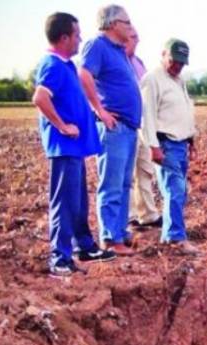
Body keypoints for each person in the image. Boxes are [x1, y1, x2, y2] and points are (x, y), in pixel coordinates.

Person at [32, 12, 116, 277]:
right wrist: (62, 125)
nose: (80, 40)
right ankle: (59, 257)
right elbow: (40, 98)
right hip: (64, 146)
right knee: (65, 203)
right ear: (64, 37)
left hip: (74, 148)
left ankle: (84, 246)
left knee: (78, 201)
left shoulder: (66, 65)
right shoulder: (52, 64)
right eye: (77, 35)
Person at [79, 4, 141, 255]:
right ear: (113, 24)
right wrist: (100, 110)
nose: (130, 26)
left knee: (124, 183)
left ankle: (119, 231)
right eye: (127, 22)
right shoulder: (98, 45)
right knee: (112, 184)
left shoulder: (119, 51)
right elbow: (84, 75)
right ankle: (109, 238)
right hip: (114, 127)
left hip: (128, 127)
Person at [140, 39, 199, 255]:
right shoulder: (153, 79)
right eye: (174, 61)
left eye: (182, 63)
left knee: (178, 191)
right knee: (175, 189)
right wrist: (153, 147)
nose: (177, 66)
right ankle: (176, 238)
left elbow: (183, 111)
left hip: (180, 143)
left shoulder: (178, 80)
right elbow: (147, 117)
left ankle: (169, 235)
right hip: (165, 143)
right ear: (164, 54)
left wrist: (191, 140)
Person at [125, 28, 162, 229]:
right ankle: (129, 216)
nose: (136, 41)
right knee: (127, 174)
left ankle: (148, 214)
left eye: (137, 37)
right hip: (125, 124)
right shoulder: (116, 63)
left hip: (143, 124)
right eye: (132, 37)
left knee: (145, 170)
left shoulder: (138, 63)